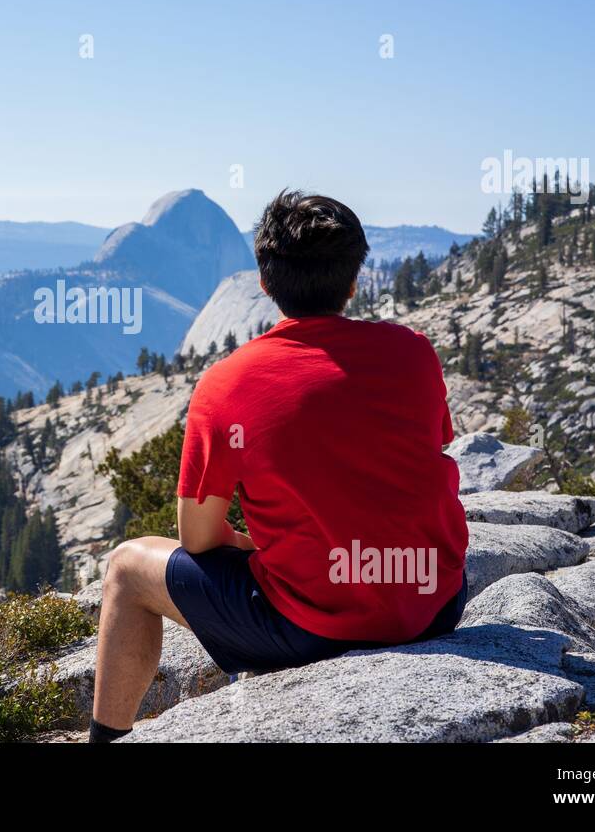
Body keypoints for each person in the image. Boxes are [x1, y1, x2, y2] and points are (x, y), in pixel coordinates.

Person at [88, 191, 469, 743]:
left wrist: (257, 546)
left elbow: (196, 539)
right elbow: (420, 458)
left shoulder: (228, 383)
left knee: (126, 567)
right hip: (434, 604)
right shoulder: (414, 352)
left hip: (310, 627)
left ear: (264, 283)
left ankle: (107, 740)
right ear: (354, 280)